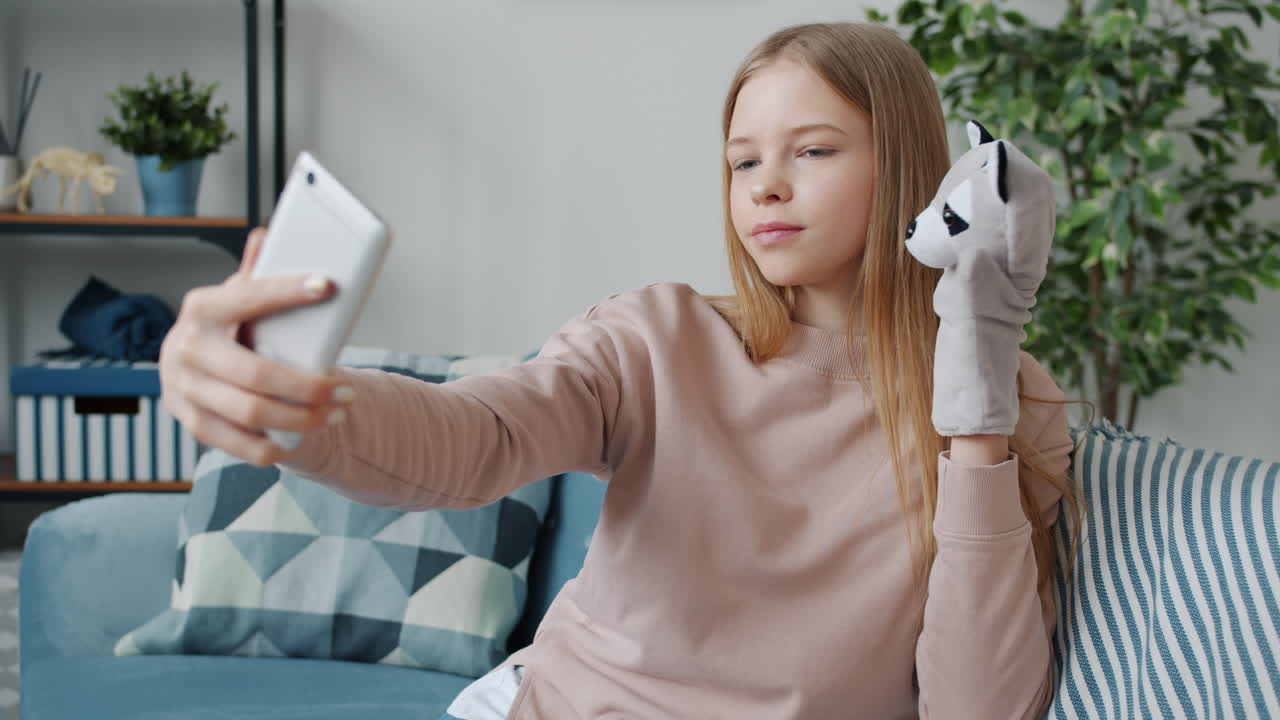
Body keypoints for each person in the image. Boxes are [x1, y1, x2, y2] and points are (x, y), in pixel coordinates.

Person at [158, 21, 1080, 720]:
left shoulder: (1007, 403)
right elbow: (478, 435)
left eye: (814, 150)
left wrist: (972, 401)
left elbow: (979, 706)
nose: (764, 185)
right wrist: (309, 407)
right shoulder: (657, 338)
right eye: (742, 159)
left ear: (910, 167)